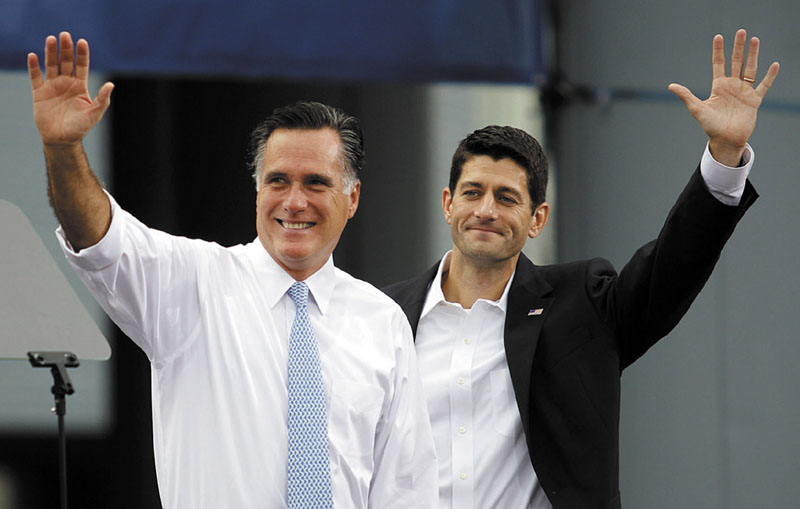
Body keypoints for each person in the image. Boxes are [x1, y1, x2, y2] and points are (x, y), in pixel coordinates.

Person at [28, 32, 437, 508]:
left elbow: (407, 491)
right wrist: (63, 150)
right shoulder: (193, 283)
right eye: (277, 181)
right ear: (257, 190)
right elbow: (98, 238)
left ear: (353, 198)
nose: (294, 201)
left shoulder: (381, 321)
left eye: (316, 183)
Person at [383, 29, 779, 509]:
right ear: (448, 203)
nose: (485, 210)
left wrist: (724, 155)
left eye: (507, 197)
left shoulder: (584, 306)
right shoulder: (385, 317)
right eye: (472, 192)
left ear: (537, 219)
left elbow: (673, 266)